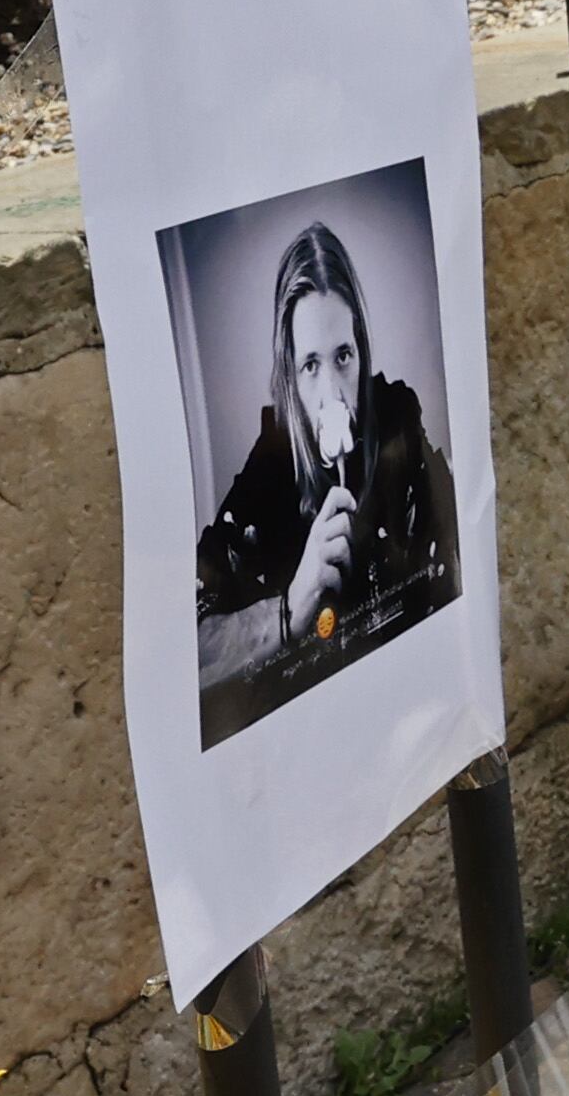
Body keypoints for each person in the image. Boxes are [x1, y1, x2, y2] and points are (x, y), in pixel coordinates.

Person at [193, 220, 459, 737]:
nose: (333, 391)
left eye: (343, 356)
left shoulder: (397, 411)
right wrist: (288, 610)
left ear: (362, 351)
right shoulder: (266, 474)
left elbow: (450, 537)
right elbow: (186, 646)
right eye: (311, 365)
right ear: (290, 375)